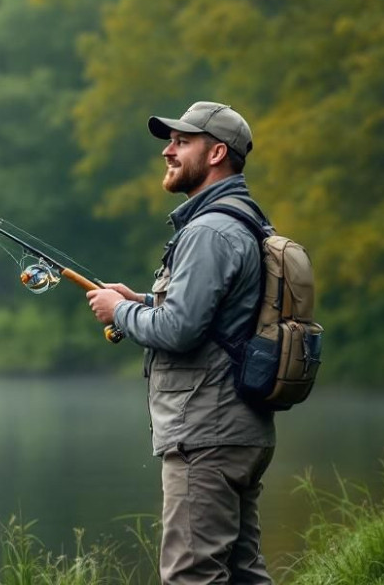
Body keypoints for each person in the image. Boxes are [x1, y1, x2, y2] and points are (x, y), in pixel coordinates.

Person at [86, 101, 275, 585]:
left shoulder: (209, 230)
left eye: (180, 141)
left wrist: (120, 313)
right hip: (239, 427)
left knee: (191, 575)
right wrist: (144, 300)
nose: (167, 152)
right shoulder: (245, 219)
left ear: (215, 154)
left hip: (206, 433)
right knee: (242, 573)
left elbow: (180, 330)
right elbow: (220, 316)